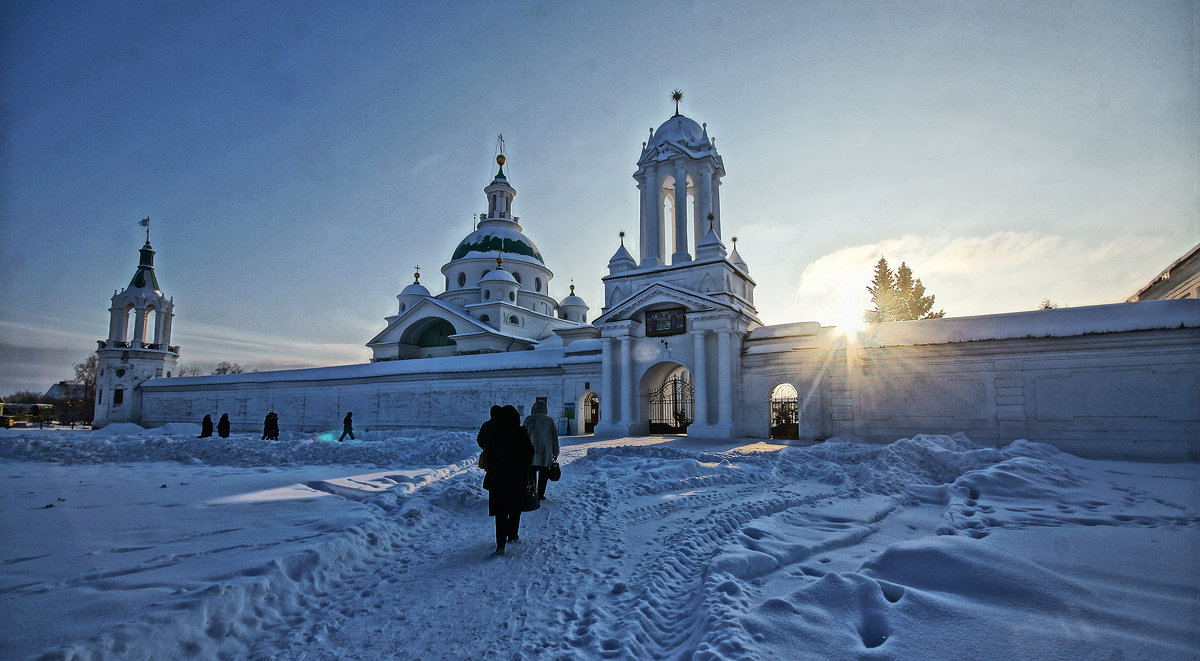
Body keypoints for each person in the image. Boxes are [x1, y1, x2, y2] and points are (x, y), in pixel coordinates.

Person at [481, 405, 533, 555]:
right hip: (517, 478)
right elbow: (529, 453)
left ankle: (500, 543)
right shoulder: (521, 432)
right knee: (515, 508)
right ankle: (513, 534)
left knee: (501, 511)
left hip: (498, 479)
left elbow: (488, 454)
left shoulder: (495, 433)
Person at [524, 400, 559, 501]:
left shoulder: (529, 419)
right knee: (544, 475)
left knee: (531, 473)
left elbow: (523, 435)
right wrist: (555, 452)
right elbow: (554, 437)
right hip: (545, 452)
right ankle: (540, 494)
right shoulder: (549, 420)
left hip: (531, 452)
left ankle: (533, 492)